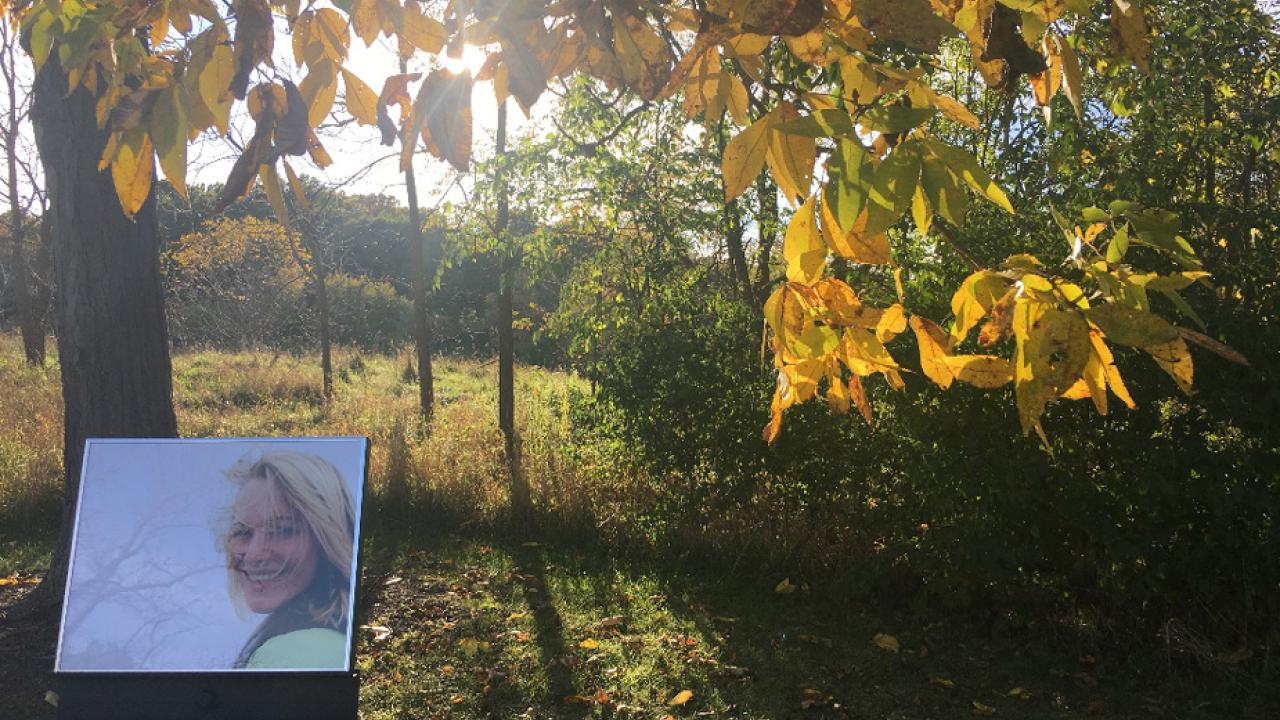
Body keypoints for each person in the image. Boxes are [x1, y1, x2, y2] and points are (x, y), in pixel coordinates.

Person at [221, 451, 355, 669]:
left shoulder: (289, 656)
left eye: (281, 530)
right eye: (243, 532)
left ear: (328, 539)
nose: (254, 554)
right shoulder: (342, 633)